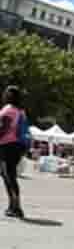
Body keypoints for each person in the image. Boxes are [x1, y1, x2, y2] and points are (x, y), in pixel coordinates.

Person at [0, 86, 30, 219]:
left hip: (8, 145)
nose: (4, 95)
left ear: (9, 96)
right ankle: (13, 206)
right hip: (16, 146)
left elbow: (3, 129)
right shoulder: (20, 111)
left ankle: (16, 207)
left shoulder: (8, 110)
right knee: (6, 175)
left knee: (9, 176)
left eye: (6, 93)